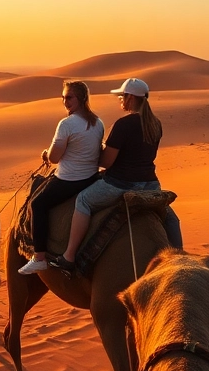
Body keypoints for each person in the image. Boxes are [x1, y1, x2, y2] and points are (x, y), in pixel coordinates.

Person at [49, 78, 182, 274]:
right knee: (171, 218)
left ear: (130, 98)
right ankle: (179, 259)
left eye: (122, 96)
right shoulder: (156, 123)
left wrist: (91, 150)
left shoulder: (123, 125)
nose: (120, 99)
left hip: (120, 184)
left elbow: (106, 162)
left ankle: (69, 256)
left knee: (83, 201)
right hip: (151, 185)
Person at [18, 81, 104, 274]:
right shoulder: (98, 122)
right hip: (91, 178)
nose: (65, 101)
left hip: (69, 179)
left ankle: (39, 257)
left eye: (69, 97)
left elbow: (55, 157)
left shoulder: (66, 124)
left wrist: (46, 154)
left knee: (37, 204)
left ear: (81, 98)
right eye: (63, 97)